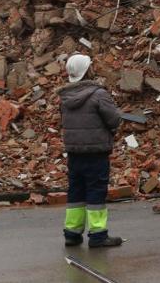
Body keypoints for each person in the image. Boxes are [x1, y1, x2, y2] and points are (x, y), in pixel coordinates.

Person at [58, 53, 123, 248]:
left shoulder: (64, 96)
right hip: (96, 152)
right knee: (95, 191)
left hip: (74, 152)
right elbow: (114, 120)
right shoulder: (98, 94)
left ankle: (72, 233)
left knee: (76, 192)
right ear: (88, 70)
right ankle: (98, 234)